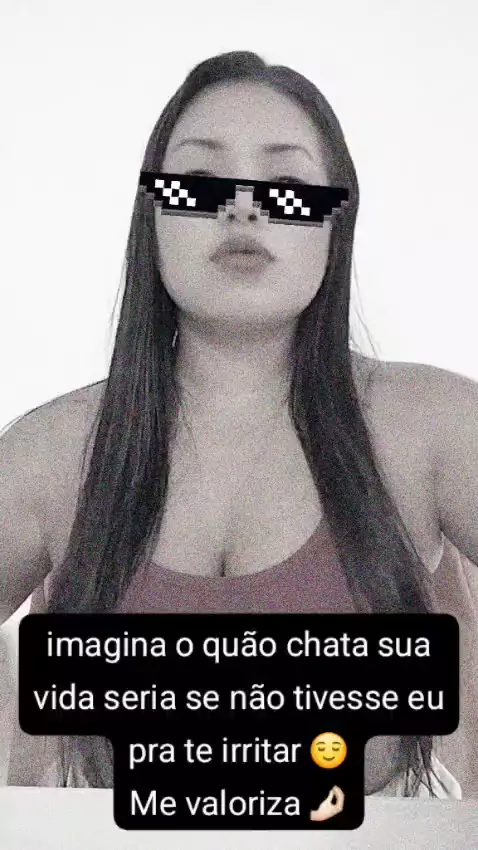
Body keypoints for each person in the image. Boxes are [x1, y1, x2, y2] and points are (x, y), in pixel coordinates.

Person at [0, 50, 476, 796]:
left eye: (287, 186)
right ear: (153, 218)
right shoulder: (50, 452)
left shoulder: (433, 425)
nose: (243, 208)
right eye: (198, 182)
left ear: (336, 222)